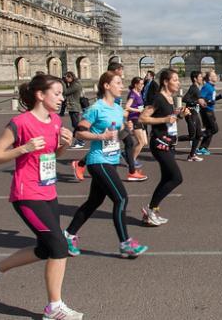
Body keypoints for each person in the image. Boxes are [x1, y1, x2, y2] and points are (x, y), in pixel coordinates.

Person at [0, 73, 84, 320]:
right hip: (26, 193)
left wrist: (64, 144)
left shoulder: (55, 121)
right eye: (56, 93)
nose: (60, 98)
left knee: (45, 250)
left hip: (48, 191)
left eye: (61, 94)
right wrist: (23, 148)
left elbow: (52, 156)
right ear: (40, 95)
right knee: (59, 246)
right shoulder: (20, 122)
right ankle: (54, 308)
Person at [64, 71, 148, 258]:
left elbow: (119, 132)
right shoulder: (96, 108)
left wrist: (127, 129)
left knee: (94, 202)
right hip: (98, 160)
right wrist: (100, 136)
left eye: (122, 83)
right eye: (118, 82)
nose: (121, 86)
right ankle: (126, 243)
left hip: (112, 160)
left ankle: (68, 235)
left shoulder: (118, 109)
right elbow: (79, 132)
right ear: (106, 86)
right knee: (121, 198)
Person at [138, 69, 189, 226]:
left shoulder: (170, 98)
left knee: (167, 178)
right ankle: (150, 209)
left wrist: (179, 115)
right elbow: (143, 118)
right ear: (165, 82)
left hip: (169, 142)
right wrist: (165, 118)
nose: (178, 82)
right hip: (159, 143)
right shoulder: (158, 98)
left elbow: (169, 121)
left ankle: (152, 212)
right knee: (176, 178)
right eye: (174, 80)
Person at [124, 76, 150, 177]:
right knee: (141, 142)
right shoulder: (132, 94)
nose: (143, 86)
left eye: (143, 84)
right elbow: (127, 107)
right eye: (141, 84)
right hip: (134, 119)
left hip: (139, 119)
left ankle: (127, 154)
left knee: (145, 142)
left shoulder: (139, 93)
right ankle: (132, 160)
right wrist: (138, 110)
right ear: (135, 84)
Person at [181, 71, 205, 162]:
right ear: (195, 79)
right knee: (192, 136)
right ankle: (172, 140)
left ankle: (192, 155)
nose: (202, 78)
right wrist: (196, 102)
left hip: (195, 113)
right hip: (190, 113)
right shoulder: (193, 88)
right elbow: (185, 99)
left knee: (198, 135)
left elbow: (197, 100)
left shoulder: (196, 88)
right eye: (200, 77)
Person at [197, 70, 222, 156]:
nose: (216, 77)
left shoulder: (211, 87)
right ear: (210, 78)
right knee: (214, 129)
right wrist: (207, 101)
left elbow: (211, 99)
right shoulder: (207, 86)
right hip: (206, 111)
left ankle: (202, 148)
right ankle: (199, 135)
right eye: (214, 75)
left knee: (210, 130)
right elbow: (200, 98)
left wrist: (218, 98)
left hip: (210, 110)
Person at [61, 72, 84, 149]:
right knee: (75, 125)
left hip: (74, 107)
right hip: (72, 107)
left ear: (70, 77)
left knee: (76, 125)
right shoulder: (73, 84)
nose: (66, 79)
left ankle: (81, 141)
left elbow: (66, 92)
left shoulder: (75, 85)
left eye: (66, 78)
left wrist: (63, 83)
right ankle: (79, 140)